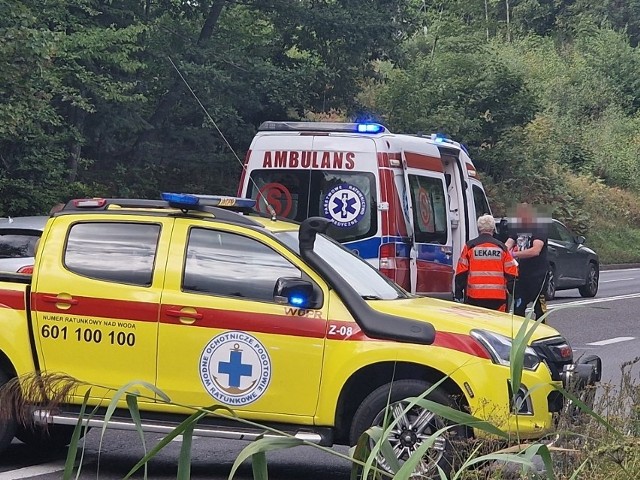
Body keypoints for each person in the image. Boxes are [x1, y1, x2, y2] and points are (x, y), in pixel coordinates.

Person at [454, 214, 518, 312]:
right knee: (495, 325)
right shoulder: (501, 247)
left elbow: (461, 272)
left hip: (474, 296)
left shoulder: (470, 246)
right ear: (493, 228)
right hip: (498, 298)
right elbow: (511, 273)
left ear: (479, 228)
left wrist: (458, 293)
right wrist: (514, 293)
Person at [504, 203, 550, 320]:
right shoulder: (517, 230)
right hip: (520, 275)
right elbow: (507, 245)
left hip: (538, 276)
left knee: (539, 309)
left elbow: (536, 250)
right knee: (518, 307)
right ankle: (519, 334)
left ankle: (541, 332)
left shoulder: (539, 229)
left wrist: (514, 254)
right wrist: (504, 252)